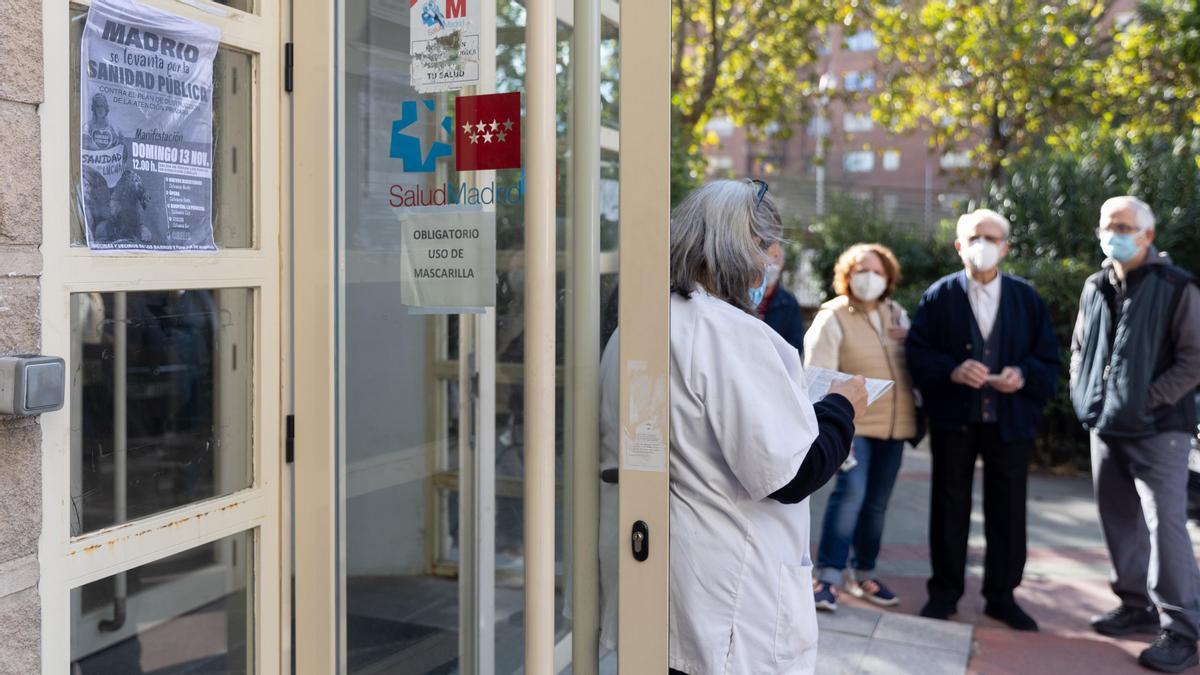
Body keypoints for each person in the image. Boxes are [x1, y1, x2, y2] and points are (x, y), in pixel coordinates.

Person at [667, 179, 867, 675]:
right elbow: (792, 474)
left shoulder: (644, 321)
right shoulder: (730, 334)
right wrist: (841, 406)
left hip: (673, 578)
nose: (773, 258)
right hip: (729, 599)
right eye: (767, 244)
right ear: (738, 247)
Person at [906, 208, 1059, 631]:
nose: (983, 245)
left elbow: (1048, 357)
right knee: (948, 506)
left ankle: (1002, 596)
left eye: (992, 238)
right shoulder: (939, 296)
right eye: (975, 237)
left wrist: (1022, 374)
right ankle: (944, 594)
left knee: (1008, 511)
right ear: (959, 246)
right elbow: (917, 353)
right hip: (955, 419)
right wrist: (952, 370)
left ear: (1005, 247)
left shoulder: (1026, 297)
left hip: (1010, 422)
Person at [1070, 196, 1200, 673]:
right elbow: (1082, 347)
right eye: (1107, 225)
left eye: (1124, 226)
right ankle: (1134, 605)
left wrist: (1145, 401)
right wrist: (1083, 394)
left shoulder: (1176, 286)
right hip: (1106, 425)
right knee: (1117, 519)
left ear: (1147, 234)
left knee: (1166, 525)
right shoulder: (1096, 283)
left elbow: (1194, 361)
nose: (1113, 234)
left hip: (1159, 429)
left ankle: (1183, 631)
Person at [805, 243, 917, 611]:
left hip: (895, 426)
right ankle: (828, 577)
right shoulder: (833, 316)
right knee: (850, 495)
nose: (869, 277)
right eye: (860, 270)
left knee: (876, 504)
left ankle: (864, 572)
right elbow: (817, 375)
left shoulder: (896, 314)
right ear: (847, 276)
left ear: (888, 278)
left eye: (877, 271)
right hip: (852, 426)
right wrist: (829, 423)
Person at [757, 242, 807, 357]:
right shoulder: (741, 296)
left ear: (782, 264)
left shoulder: (788, 302)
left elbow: (796, 344)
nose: (771, 265)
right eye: (767, 258)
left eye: (776, 260)